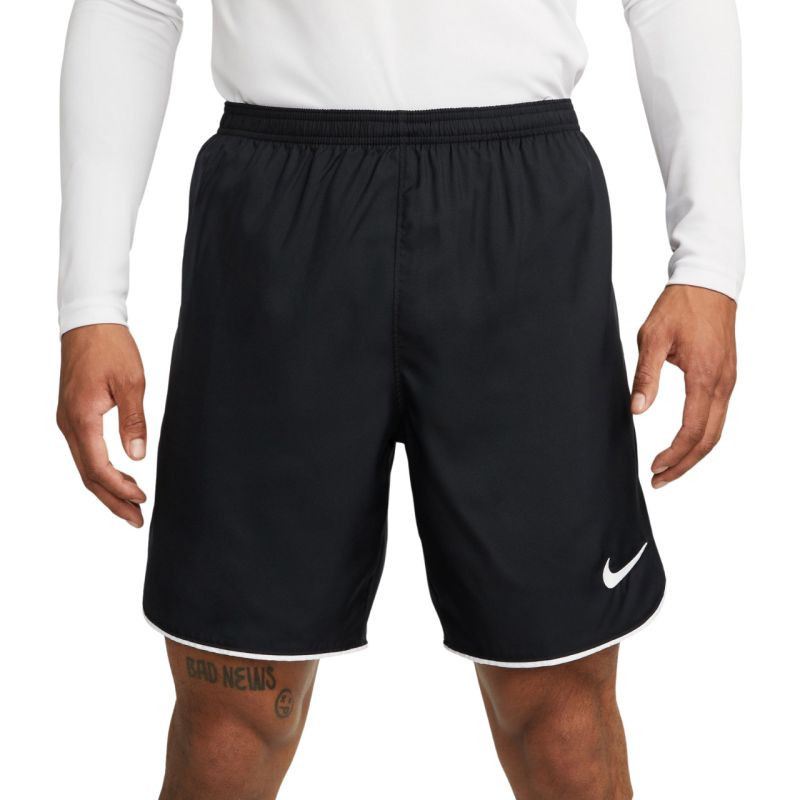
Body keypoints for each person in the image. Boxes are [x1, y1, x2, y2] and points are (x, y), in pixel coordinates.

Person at [56, 1, 742, 798]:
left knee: (560, 714)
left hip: (517, 216)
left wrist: (708, 261)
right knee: (232, 716)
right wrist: (90, 303)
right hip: (276, 219)